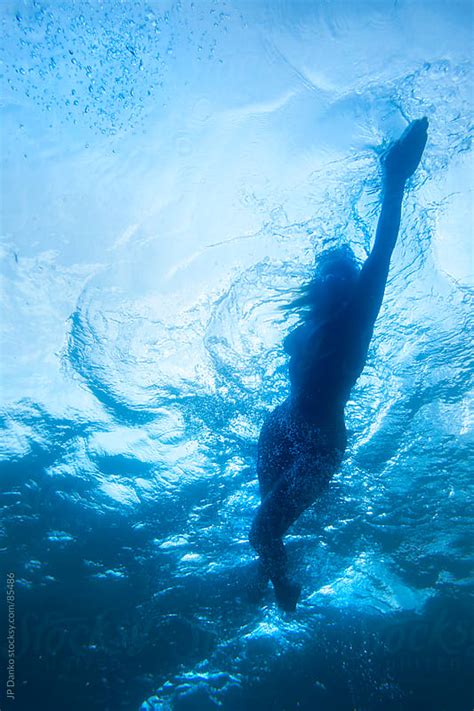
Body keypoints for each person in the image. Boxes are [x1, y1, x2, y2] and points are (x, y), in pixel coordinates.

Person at [248, 117, 429, 612]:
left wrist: (394, 181)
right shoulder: (304, 324)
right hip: (279, 425)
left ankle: (282, 584)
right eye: (326, 271)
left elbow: (382, 253)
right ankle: (273, 567)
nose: (333, 277)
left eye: (343, 272)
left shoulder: (355, 317)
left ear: (352, 283)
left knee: (260, 531)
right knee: (267, 529)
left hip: (322, 443)